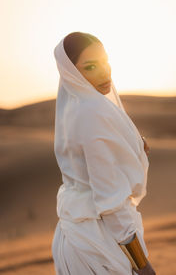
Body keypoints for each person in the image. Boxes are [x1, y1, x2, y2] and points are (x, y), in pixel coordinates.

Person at [51, 31, 155, 275]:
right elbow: (111, 203)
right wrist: (143, 266)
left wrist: (131, 149)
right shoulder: (93, 111)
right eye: (90, 67)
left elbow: (82, 162)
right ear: (71, 72)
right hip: (99, 245)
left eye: (106, 61)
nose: (105, 72)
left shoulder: (73, 108)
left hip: (72, 237)